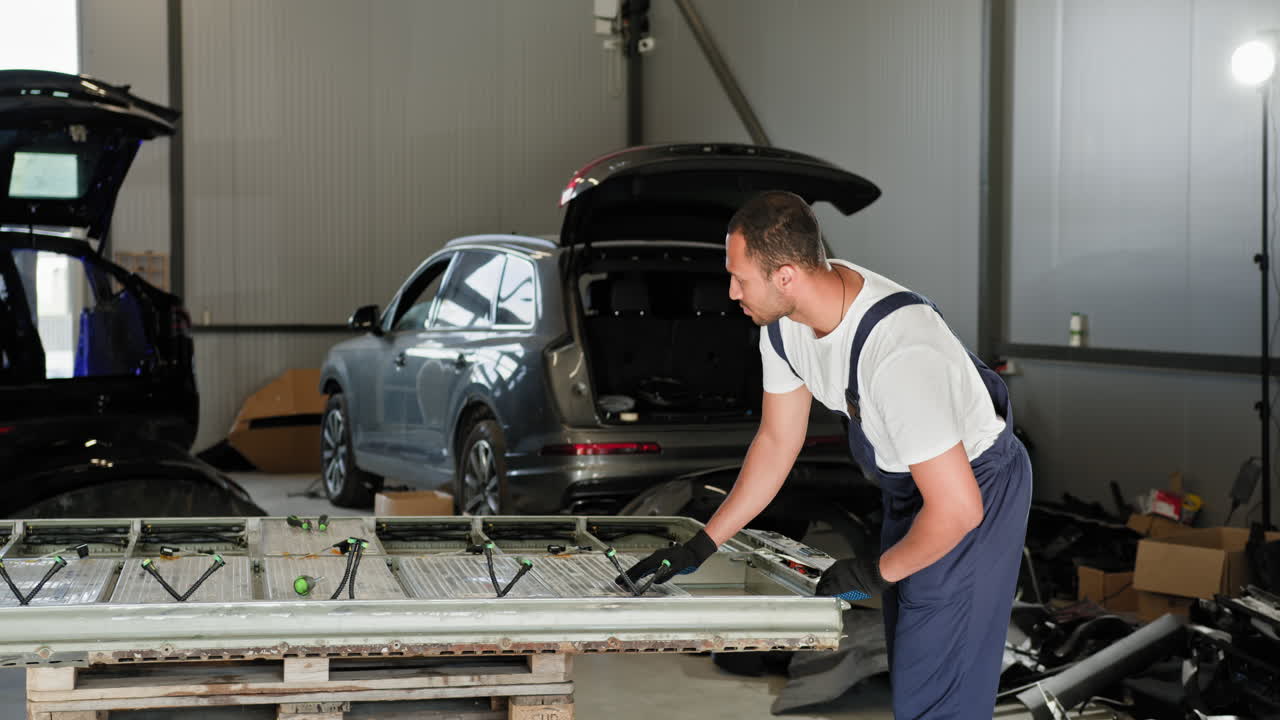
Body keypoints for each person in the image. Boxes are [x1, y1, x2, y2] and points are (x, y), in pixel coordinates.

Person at [619, 191, 1032, 719]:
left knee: (940, 686)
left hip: (973, 494)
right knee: (914, 658)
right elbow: (777, 442)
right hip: (915, 489)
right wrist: (703, 544)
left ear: (786, 276)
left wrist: (871, 573)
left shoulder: (901, 353)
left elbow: (958, 510)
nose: (731, 292)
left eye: (739, 278)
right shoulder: (785, 323)